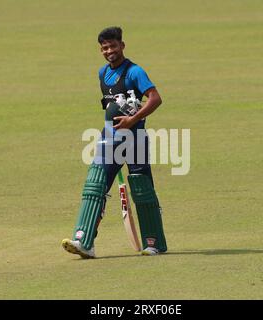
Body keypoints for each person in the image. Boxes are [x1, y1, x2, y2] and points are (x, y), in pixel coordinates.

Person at [61, 26, 167, 258]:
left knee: (142, 188)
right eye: (105, 47)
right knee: (95, 186)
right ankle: (84, 241)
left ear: (122, 45)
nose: (109, 50)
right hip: (109, 140)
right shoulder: (102, 73)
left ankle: (154, 243)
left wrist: (133, 119)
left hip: (135, 139)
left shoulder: (135, 71)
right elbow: (110, 108)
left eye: (113, 46)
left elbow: (155, 99)